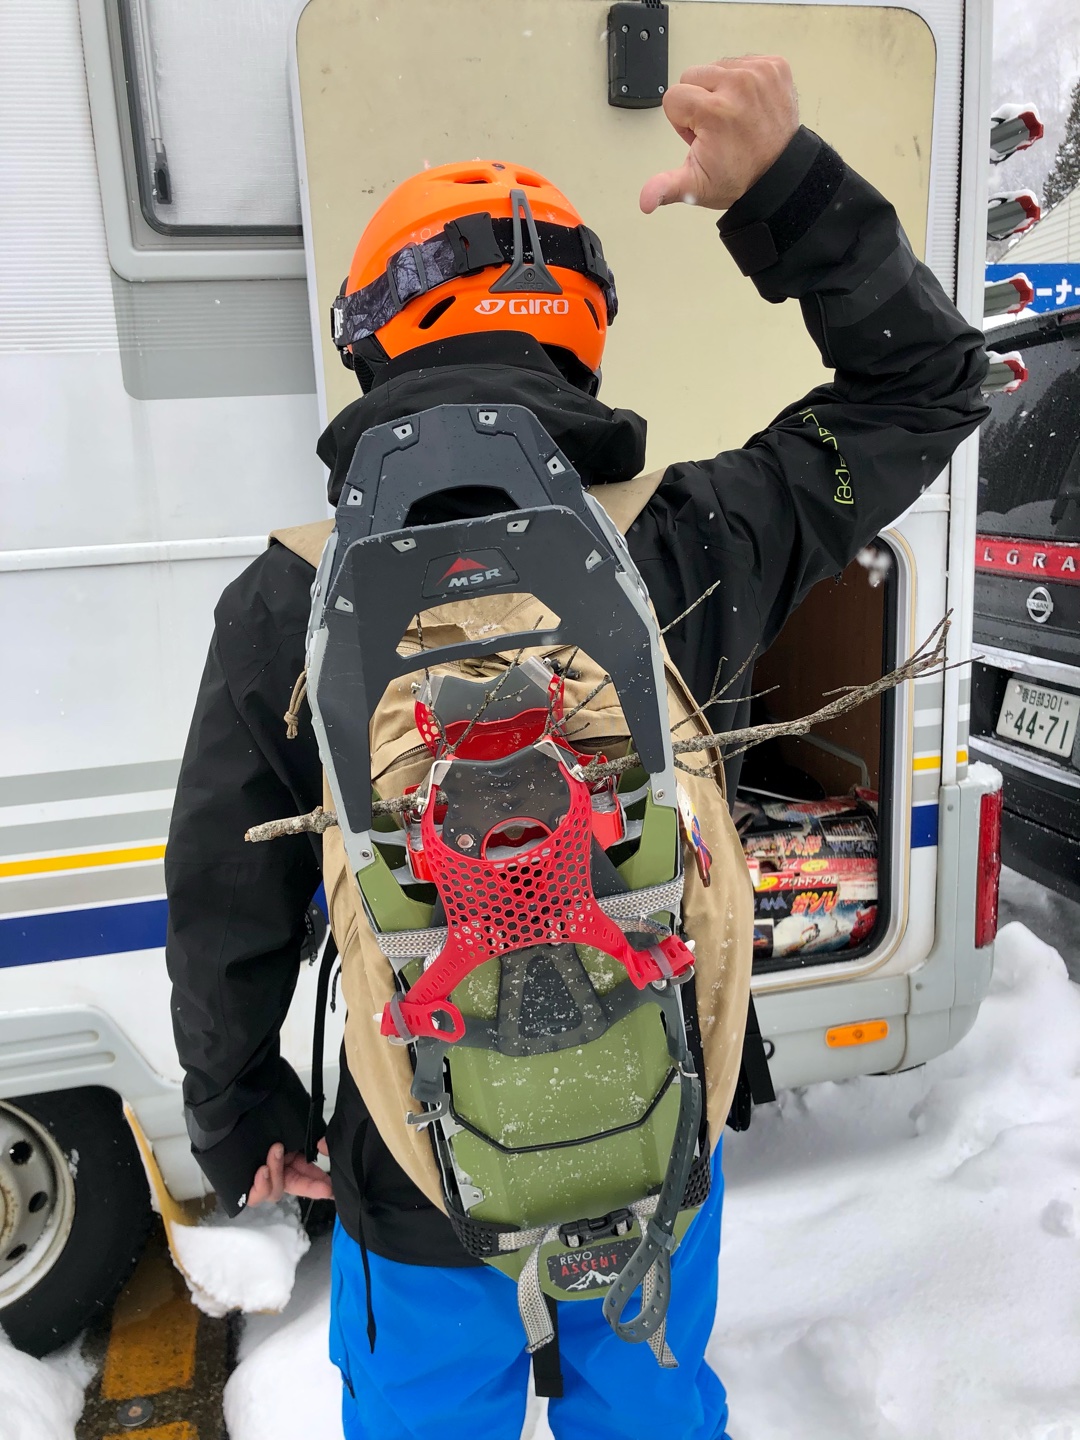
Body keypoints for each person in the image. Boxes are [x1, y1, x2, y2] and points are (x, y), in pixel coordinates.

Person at [166, 56, 987, 1440]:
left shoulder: (286, 594)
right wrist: (789, 193)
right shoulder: (691, 538)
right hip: (655, 1106)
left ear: (378, 335)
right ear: (579, 335)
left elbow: (223, 888)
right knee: (650, 1410)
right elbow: (932, 383)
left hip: (412, 1143)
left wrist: (241, 1110)